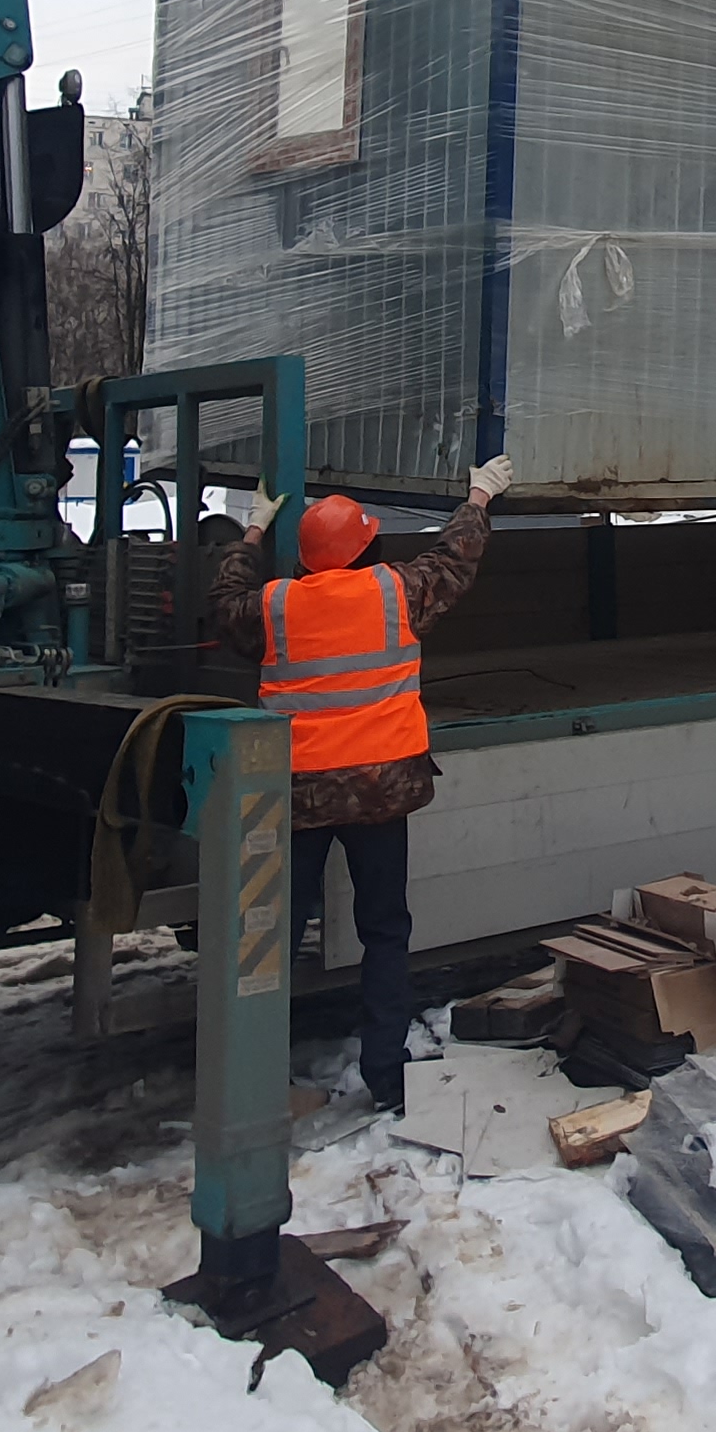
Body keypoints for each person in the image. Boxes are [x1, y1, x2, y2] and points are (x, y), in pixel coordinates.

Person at [207, 453, 511, 1114]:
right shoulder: (394, 591)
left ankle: (257, 1074)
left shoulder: (275, 606)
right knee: (384, 932)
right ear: (366, 544)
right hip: (379, 794)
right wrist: (480, 496)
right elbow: (454, 559)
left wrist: (253, 534)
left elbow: (223, 602)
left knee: (272, 940)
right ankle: (388, 1075)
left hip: (299, 796)